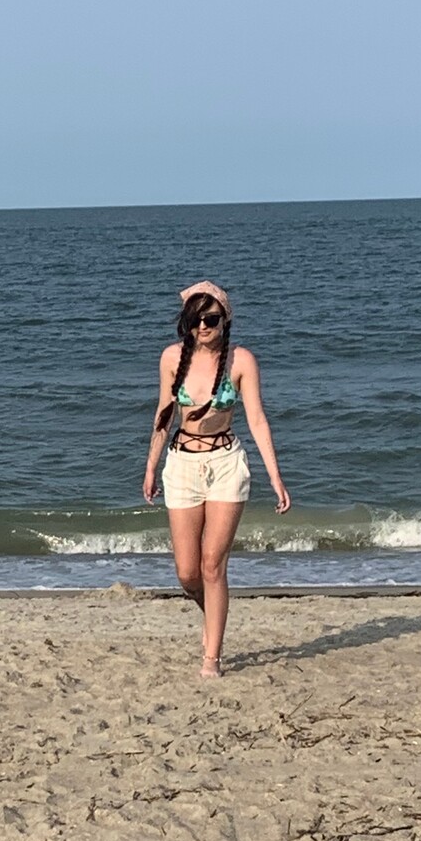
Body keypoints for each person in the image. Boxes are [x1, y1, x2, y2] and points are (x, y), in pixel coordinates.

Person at [142, 280, 290, 677]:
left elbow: (257, 419)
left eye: (210, 319)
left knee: (212, 566)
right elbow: (163, 415)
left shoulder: (241, 361)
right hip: (182, 465)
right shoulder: (172, 358)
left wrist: (276, 477)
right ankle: (215, 614)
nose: (203, 327)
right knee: (188, 573)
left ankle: (213, 656)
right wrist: (151, 465)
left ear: (225, 320)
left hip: (226, 464)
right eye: (195, 320)